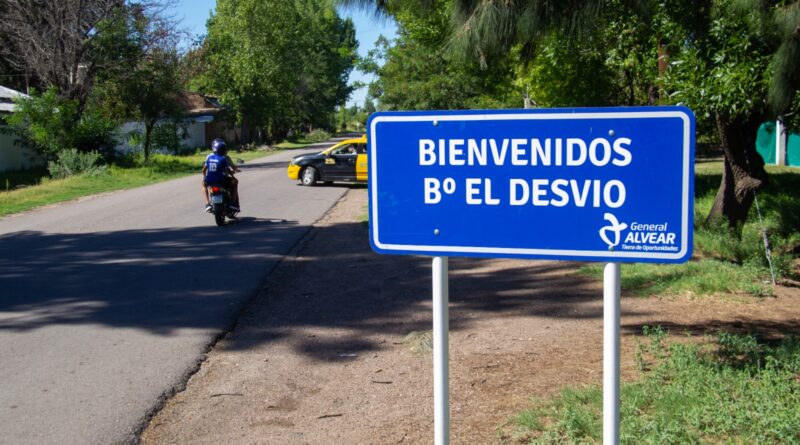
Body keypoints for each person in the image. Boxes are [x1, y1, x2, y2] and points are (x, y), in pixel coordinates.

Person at [202, 138, 240, 213]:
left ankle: (207, 204)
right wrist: (232, 175)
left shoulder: (209, 157)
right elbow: (227, 170)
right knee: (235, 182)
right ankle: (232, 203)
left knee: (203, 184)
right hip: (221, 180)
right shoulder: (223, 158)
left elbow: (204, 170)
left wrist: (205, 177)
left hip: (209, 180)